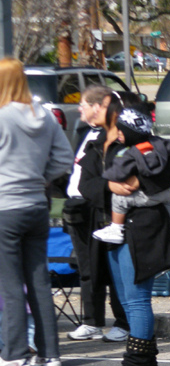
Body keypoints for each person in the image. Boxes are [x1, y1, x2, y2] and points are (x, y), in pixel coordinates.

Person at [78, 92, 170, 366]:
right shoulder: (95, 144)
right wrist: (109, 185)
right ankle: (146, 363)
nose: (87, 110)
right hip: (110, 229)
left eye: (93, 106)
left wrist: (140, 181)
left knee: (136, 299)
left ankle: (135, 364)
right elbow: (86, 184)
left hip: (142, 228)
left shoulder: (145, 142)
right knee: (125, 297)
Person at [0, 57, 73, 366]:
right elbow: (64, 159)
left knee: (10, 283)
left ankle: (15, 353)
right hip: (36, 204)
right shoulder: (44, 116)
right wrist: (40, 179)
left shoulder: (1, 117)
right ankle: (49, 352)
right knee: (39, 279)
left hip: (4, 206)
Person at [63, 85, 131, 342]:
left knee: (113, 269)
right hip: (80, 208)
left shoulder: (117, 138)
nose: (79, 108)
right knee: (87, 267)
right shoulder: (87, 134)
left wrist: (102, 189)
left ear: (99, 107)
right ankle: (92, 321)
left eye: (85, 104)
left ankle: (123, 322)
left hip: (105, 209)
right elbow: (79, 174)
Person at [90, 107, 170, 245]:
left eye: (121, 130)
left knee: (119, 200)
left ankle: (116, 228)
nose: (118, 133)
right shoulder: (159, 143)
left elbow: (120, 171)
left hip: (144, 197)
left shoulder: (131, 153)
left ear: (131, 133)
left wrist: (108, 177)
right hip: (164, 194)